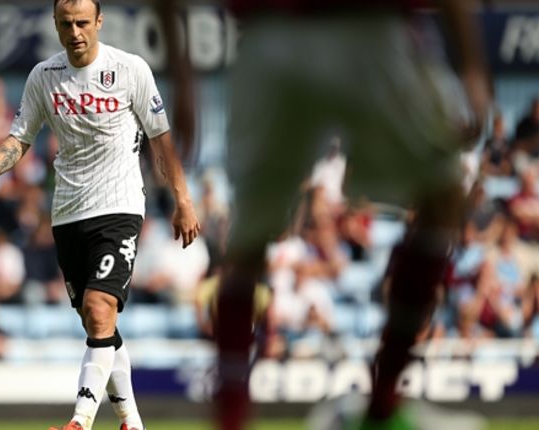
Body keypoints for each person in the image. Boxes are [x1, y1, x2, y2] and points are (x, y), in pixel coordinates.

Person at [203, 1, 491, 429]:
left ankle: (231, 419)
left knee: (248, 239)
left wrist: (184, 76)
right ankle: (383, 404)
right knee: (444, 193)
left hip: (271, 40)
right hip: (368, 32)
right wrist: (471, 68)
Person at [0, 1, 200, 429]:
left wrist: (183, 200)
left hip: (119, 207)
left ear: (99, 22)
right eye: (66, 24)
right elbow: (20, 137)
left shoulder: (130, 69)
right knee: (101, 326)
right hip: (68, 215)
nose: (75, 31)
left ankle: (79, 421)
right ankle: (132, 423)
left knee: (100, 309)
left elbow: (162, 141)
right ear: (56, 25)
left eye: (82, 22)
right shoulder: (44, 76)